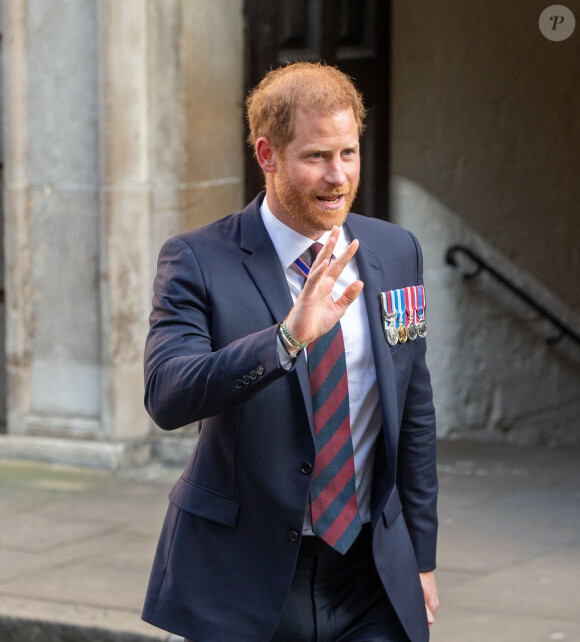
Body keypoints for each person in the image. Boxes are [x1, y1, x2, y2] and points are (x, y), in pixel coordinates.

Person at [142, 61, 438, 642]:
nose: (338, 177)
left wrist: (421, 558)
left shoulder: (396, 250)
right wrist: (286, 340)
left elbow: (415, 411)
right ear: (267, 155)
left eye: (348, 153)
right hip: (244, 578)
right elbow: (168, 393)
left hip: (371, 572)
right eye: (316, 157)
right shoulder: (198, 260)